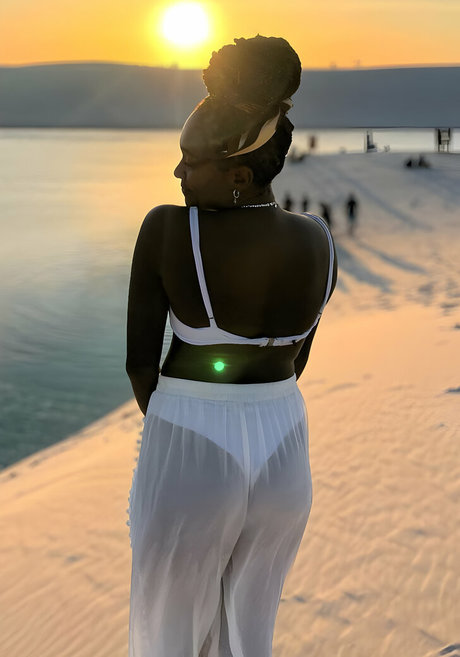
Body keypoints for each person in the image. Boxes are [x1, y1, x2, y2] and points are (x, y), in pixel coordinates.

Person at [126, 35, 337, 657]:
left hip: (193, 438)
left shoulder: (169, 227)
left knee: (170, 628)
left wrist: (183, 430)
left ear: (238, 175)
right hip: (284, 450)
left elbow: (139, 364)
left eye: (190, 162)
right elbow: (295, 360)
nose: (178, 173)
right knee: (248, 630)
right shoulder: (319, 237)